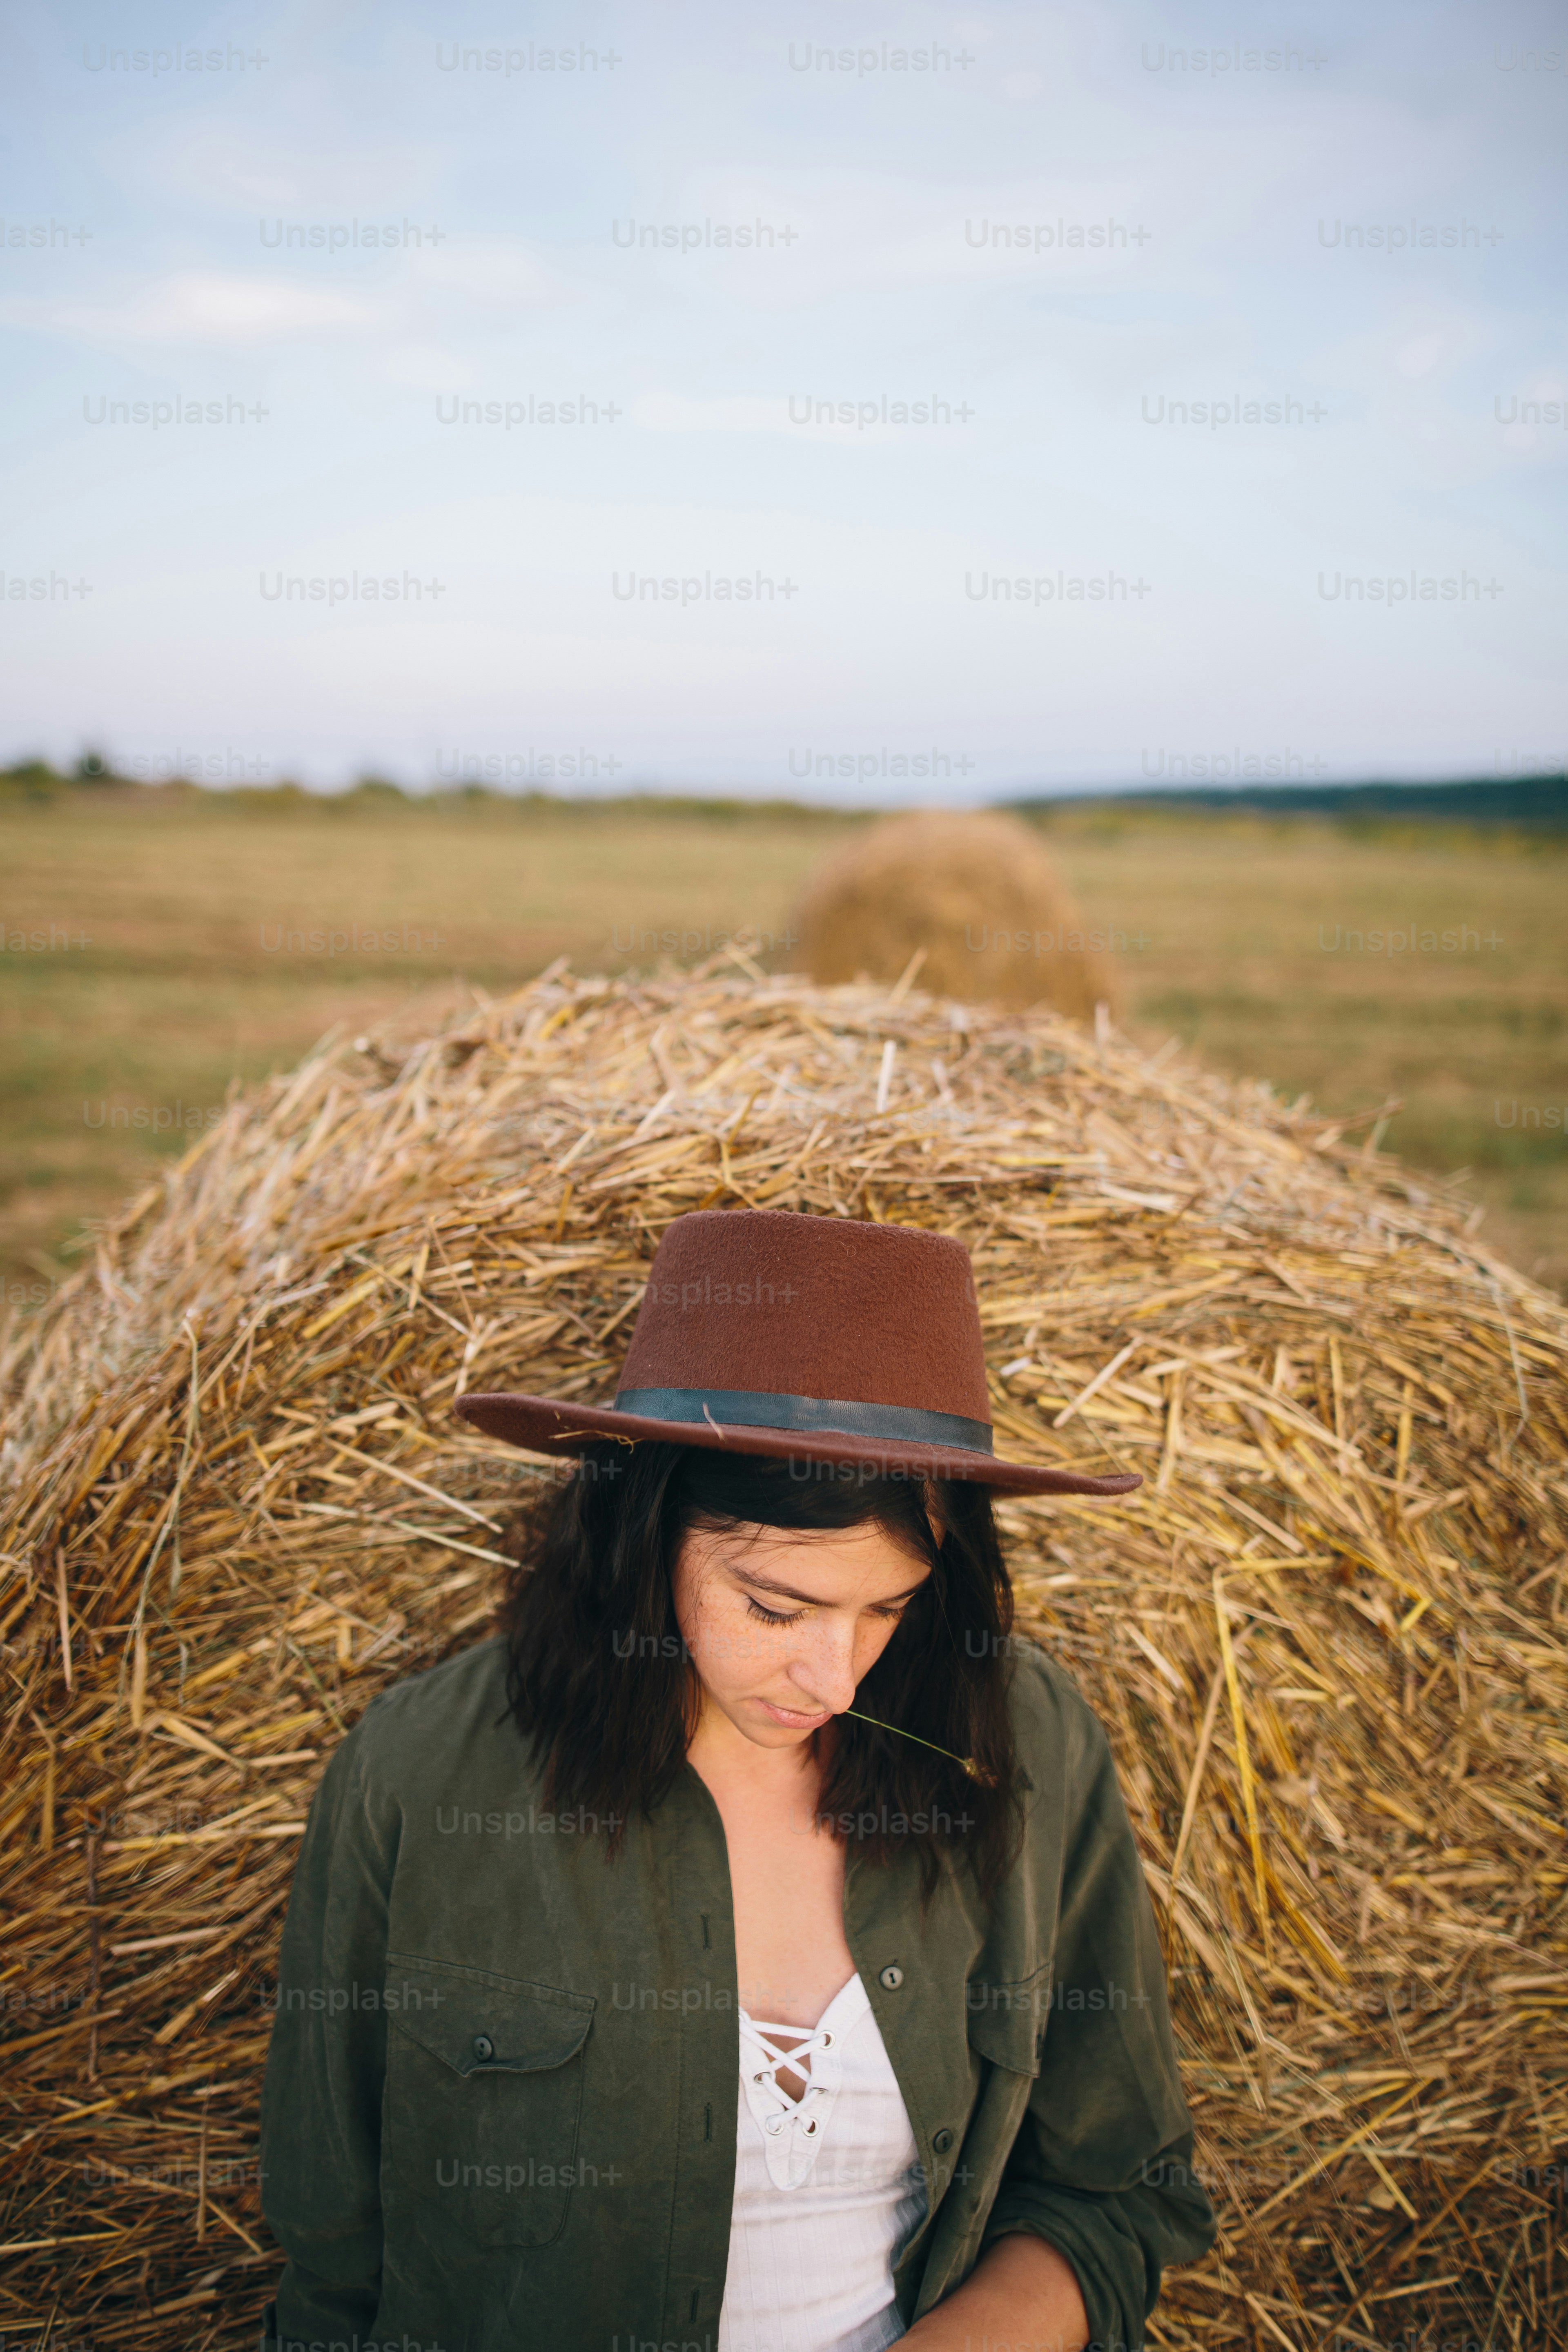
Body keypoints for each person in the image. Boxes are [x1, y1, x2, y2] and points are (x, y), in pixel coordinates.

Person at [260, 1208, 1215, 2352]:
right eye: (775, 1606)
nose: (837, 1679)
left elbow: (1118, 2191)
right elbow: (330, 2264)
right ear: (637, 1530)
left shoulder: (1025, 1739)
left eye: (890, 1609)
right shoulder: (419, 1774)